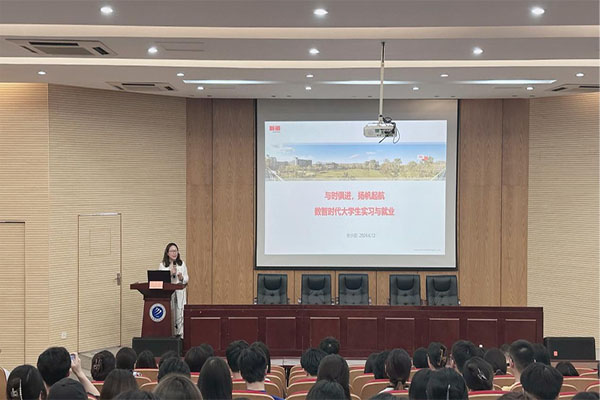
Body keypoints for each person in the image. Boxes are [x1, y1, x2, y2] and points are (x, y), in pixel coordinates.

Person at [159, 242, 189, 336]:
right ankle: (170, 335)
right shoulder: (163, 265)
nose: (174, 253)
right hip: (169, 293)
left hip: (180, 292)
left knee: (180, 313)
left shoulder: (181, 264)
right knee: (170, 313)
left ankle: (180, 335)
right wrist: (170, 273)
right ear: (167, 253)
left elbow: (187, 278)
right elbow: (160, 279)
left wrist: (181, 278)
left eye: (176, 251)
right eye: (172, 251)